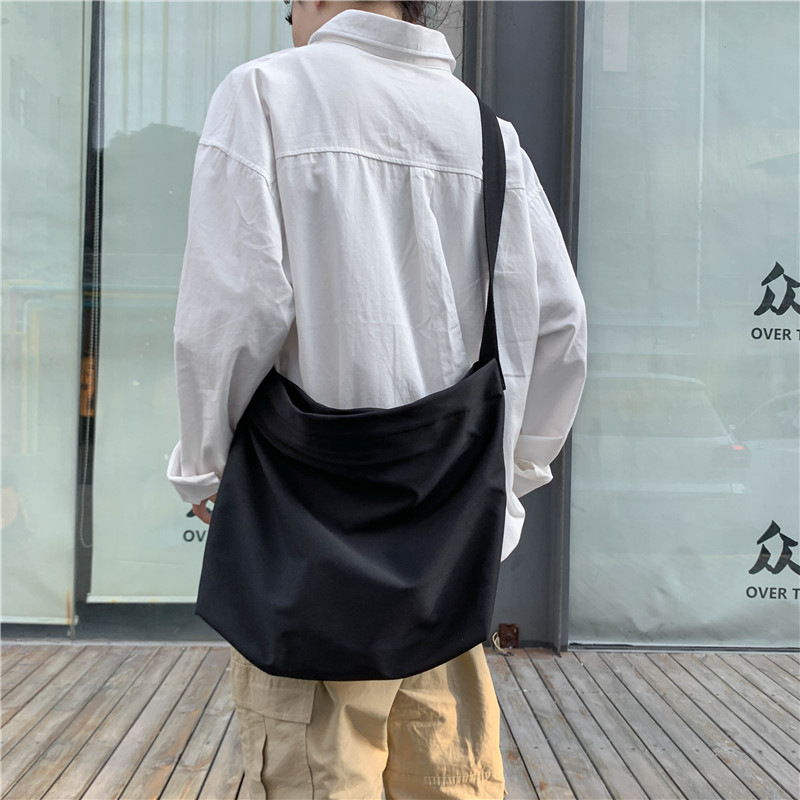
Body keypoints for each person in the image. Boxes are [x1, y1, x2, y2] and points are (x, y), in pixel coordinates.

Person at [167, 1, 587, 797]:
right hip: (446, 566)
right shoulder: (489, 134)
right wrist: (508, 478)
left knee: (317, 773)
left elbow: (231, 314)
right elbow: (560, 325)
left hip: (306, 548)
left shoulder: (265, 95)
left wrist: (205, 471)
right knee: (448, 776)